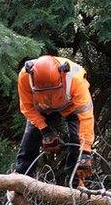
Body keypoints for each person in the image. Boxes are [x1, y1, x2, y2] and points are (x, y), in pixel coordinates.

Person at [13, 55, 95, 186]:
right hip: (42, 107)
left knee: (76, 141)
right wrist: (45, 131)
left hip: (70, 106)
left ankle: (76, 185)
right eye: (44, 91)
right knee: (29, 140)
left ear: (62, 76)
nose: (49, 95)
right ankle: (18, 183)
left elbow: (86, 116)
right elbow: (27, 108)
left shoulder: (75, 79)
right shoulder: (25, 76)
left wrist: (85, 151)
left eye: (51, 91)